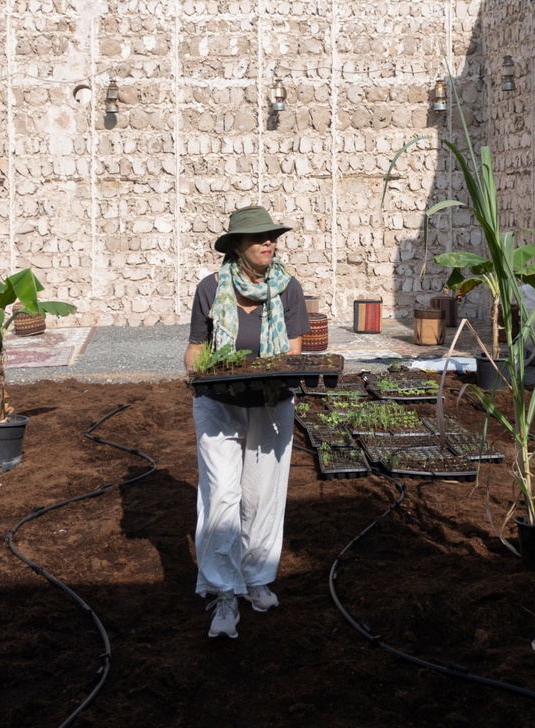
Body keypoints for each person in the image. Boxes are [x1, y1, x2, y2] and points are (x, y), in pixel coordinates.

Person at [184, 205, 310, 639]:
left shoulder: (288, 289)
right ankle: (223, 593)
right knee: (221, 497)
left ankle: (255, 579)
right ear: (237, 246)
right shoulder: (210, 289)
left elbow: (291, 353)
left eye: (272, 236)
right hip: (218, 403)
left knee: (262, 495)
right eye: (258, 237)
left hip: (271, 405)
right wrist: (198, 373)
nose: (268, 242)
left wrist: (265, 375)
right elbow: (196, 349)